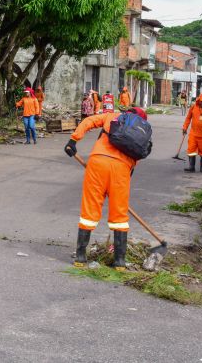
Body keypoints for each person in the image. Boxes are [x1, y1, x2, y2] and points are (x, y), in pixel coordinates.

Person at [64, 107, 150, 270]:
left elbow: (88, 121)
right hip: (122, 169)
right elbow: (137, 155)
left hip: (97, 163)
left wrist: (73, 140)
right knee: (119, 213)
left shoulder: (113, 116)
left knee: (90, 209)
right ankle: (119, 262)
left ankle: (81, 257)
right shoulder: (142, 131)